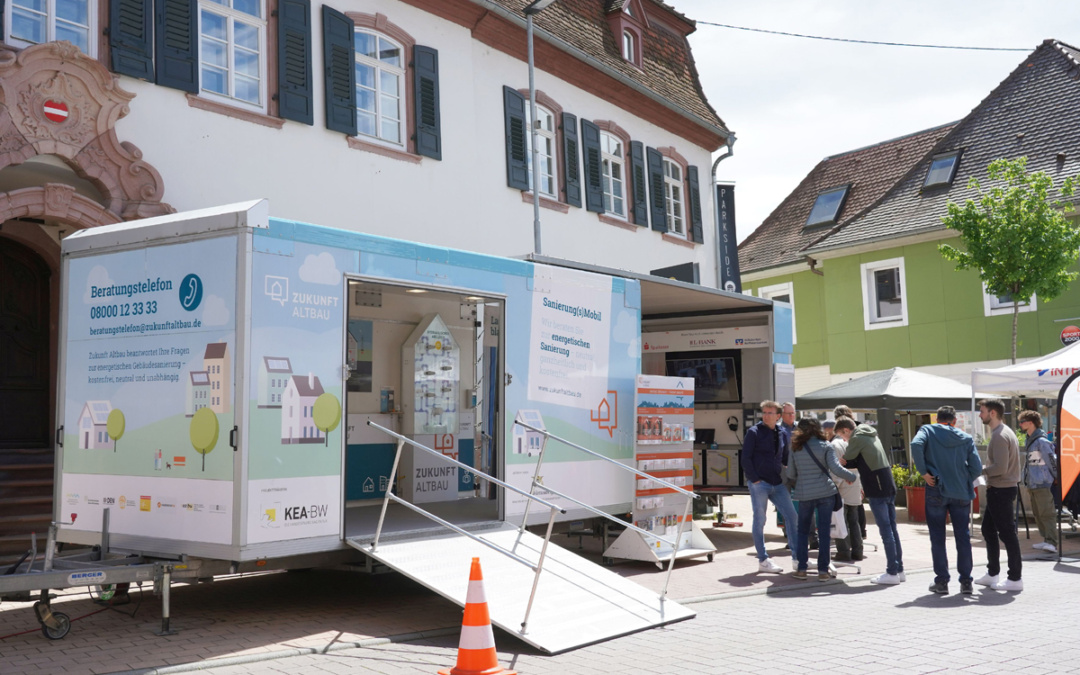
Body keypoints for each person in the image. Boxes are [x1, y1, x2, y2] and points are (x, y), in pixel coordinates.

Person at [911, 405, 983, 595]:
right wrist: (964, 478)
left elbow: (915, 445)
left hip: (936, 487)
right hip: (960, 491)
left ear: (937, 419)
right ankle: (966, 582)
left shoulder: (927, 430)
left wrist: (923, 472)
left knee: (937, 537)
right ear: (955, 421)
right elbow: (976, 468)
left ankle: (942, 581)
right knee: (963, 537)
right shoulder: (965, 438)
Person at [786, 417, 857, 582]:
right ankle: (823, 571)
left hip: (805, 494)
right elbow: (835, 468)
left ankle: (802, 569)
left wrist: (803, 478)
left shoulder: (795, 448)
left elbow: (790, 474)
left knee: (803, 532)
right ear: (818, 429)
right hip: (826, 493)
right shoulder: (826, 445)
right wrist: (851, 477)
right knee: (824, 532)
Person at [840, 415, 905, 585]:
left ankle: (892, 572)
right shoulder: (869, 433)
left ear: (846, 430)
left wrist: (842, 462)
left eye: (842, 436)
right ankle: (899, 570)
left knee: (886, 531)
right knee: (892, 529)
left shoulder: (856, 438)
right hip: (887, 483)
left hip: (876, 487)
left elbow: (847, 459)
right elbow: (859, 460)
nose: (844, 440)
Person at [742, 400, 799, 573]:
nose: (766, 416)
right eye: (764, 412)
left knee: (792, 516)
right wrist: (754, 479)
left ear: (778, 416)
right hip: (760, 484)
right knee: (760, 520)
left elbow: (785, 457)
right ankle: (763, 560)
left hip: (777, 483)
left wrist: (798, 469)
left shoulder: (782, 433)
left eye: (770, 413)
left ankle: (797, 558)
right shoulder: (753, 432)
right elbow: (745, 458)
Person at [973, 399, 1023, 591]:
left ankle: (1015, 578)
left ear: (992, 413)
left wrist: (980, 470)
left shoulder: (1000, 435)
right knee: (988, 530)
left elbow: (1000, 468)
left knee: (1007, 533)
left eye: (982, 411)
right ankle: (993, 573)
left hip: (1001, 490)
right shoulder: (1003, 432)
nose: (980, 415)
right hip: (1001, 489)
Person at [1018, 410, 1059, 554]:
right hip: (1033, 482)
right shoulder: (1030, 440)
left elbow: (1052, 460)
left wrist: (1056, 477)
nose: (1020, 424)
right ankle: (1046, 539)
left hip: (1042, 482)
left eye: (1022, 421)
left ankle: (1052, 542)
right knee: (1038, 513)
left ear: (1031, 423)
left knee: (1046, 513)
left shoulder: (1041, 441)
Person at [829, 418, 863, 563]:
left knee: (840, 522)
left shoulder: (834, 445)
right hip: (855, 486)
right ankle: (858, 551)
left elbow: (835, 470)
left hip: (842, 488)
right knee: (854, 521)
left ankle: (843, 552)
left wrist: (834, 486)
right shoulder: (853, 442)